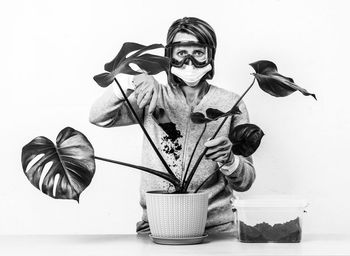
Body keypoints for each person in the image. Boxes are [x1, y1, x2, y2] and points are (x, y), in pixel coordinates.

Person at [89, 17, 255, 234]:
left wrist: (229, 160)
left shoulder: (231, 103)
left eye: (198, 52)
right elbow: (99, 116)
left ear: (210, 55)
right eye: (181, 53)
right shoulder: (152, 95)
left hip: (217, 228)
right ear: (170, 56)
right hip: (157, 224)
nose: (189, 62)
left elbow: (245, 181)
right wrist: (133, 81)